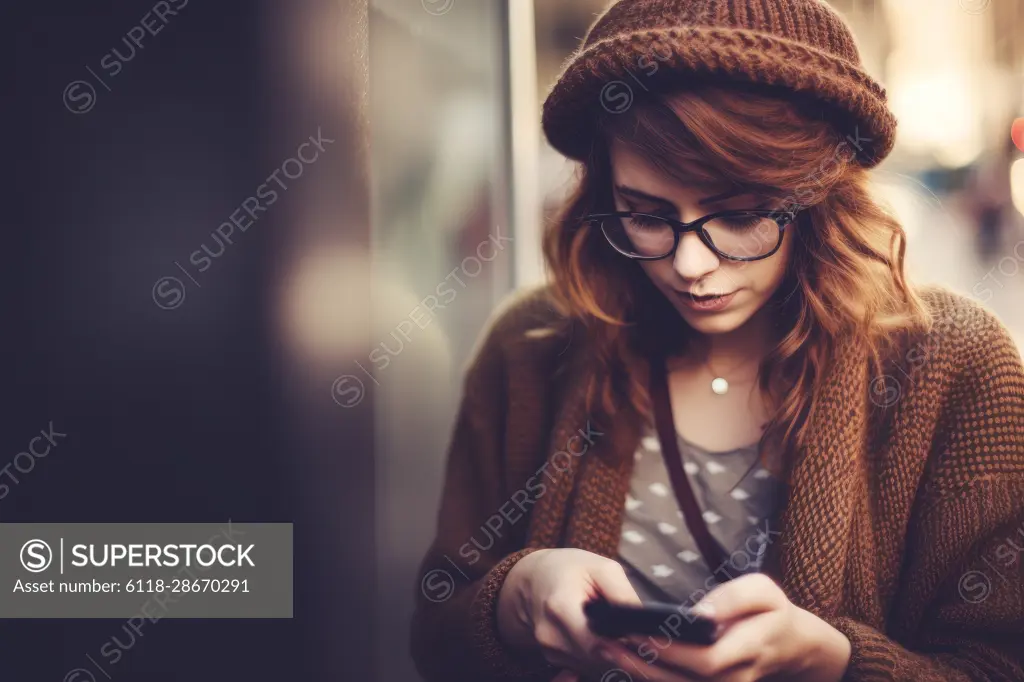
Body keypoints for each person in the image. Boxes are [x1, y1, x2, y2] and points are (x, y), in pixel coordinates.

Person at [410, 1, 1024, 681]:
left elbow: (998, 661)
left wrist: (836, 662)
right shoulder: (531, 347)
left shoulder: (959, 367)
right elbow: (437, 631)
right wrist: (513, 603)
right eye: (646, 215)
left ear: (819, 196)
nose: (690, 265)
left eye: (738, 215)